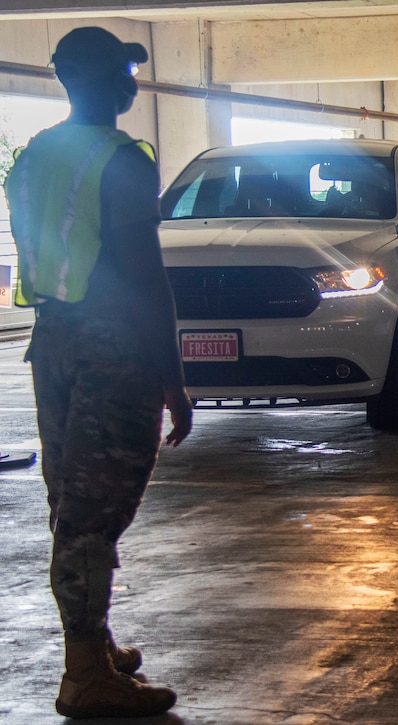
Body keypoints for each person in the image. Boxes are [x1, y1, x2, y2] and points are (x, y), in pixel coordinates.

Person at [3, 26, 192, 719]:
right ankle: (84, 674)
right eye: (124, 71)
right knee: (95, 509)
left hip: (51, 339)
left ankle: (94, 642)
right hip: (112, 350)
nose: (132, 83)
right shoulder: (122, 159)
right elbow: (146, 277)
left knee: (71, 500)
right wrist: (173, 377)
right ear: (100, 80)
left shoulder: (33, 158)